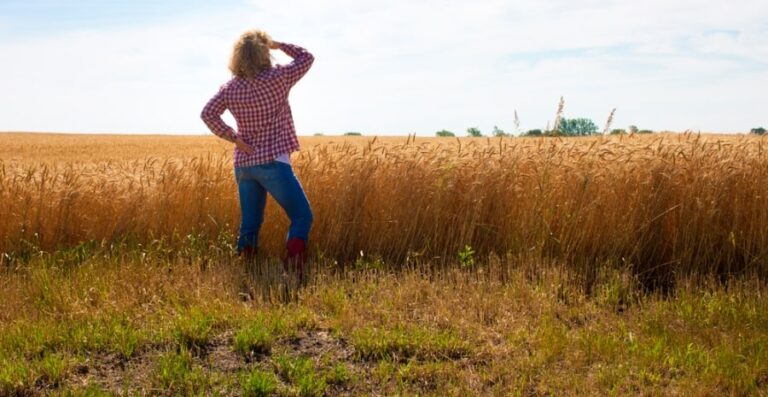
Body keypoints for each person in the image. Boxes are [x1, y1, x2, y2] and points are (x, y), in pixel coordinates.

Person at [201, 30, 314, 277]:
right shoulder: (279, 77)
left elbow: (207, 113)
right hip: (274, 161)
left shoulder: (230, 88)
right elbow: (307, 57)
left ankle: (247, 269)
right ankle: (294, 267)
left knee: (250, 223)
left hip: (244, 165)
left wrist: (234, 138)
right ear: (264, 53)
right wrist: (279, 44)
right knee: (302, 216)